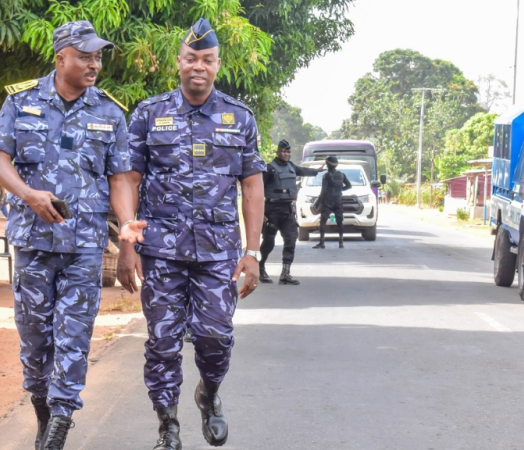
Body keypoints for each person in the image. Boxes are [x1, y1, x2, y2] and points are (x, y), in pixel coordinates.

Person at [117, 18, 266, 450]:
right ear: (178, 63)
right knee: (162, 341)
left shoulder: (239, 117)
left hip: (218, 252)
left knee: (215, 337)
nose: (198, 66)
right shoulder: (149, 114)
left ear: (218, 65)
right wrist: (128, 241)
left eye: (207, 59)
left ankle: (209, 391)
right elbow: (128, 179)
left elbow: (252, 186)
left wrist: (252, 250)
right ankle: (168, 425)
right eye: (191, 58)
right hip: (160, 250)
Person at [0, 21, 135, 450]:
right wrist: (29, 195)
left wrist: (126, 230)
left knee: (73, 335)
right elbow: (0, 161)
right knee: (35, 339)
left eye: (98, 56)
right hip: (32, 242)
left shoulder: (111, 111)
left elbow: (121, 180)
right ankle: (42, 412)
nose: (95, 63)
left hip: (85, 245)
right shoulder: (21, 101)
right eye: (86, 55)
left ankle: (58, 429)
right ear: (61, 57)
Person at [259, 140, 324, 285]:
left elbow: (303, 170)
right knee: (268, 242)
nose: (285, 154)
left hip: (287, 210)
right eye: (282, 151)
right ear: (277, 152)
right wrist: (261, 211)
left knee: (291, 240)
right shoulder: (270, 168)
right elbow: (258, 190)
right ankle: (261, 268)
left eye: (288, 152)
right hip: (271, 211)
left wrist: (317, 170)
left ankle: (285, 273)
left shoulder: (291, 167)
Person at [313, 155, 352, 249]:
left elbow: (323, 191)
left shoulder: (326, 176)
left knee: (323, 221)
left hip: (327, 201)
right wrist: (340, 189)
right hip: (338, 200)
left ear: (328, 165)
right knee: (340, 221)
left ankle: (322, 243)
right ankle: (341, 242)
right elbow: (349, 186)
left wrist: (317, 203)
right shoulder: (342, 175)